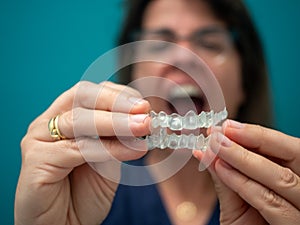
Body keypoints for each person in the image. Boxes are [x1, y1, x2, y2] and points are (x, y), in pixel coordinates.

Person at [15, 0, 300, 225]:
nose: (184, 58)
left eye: (210, 43)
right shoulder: (81, 195)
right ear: (133, 77)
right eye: (160, 45)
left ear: (244, 84)